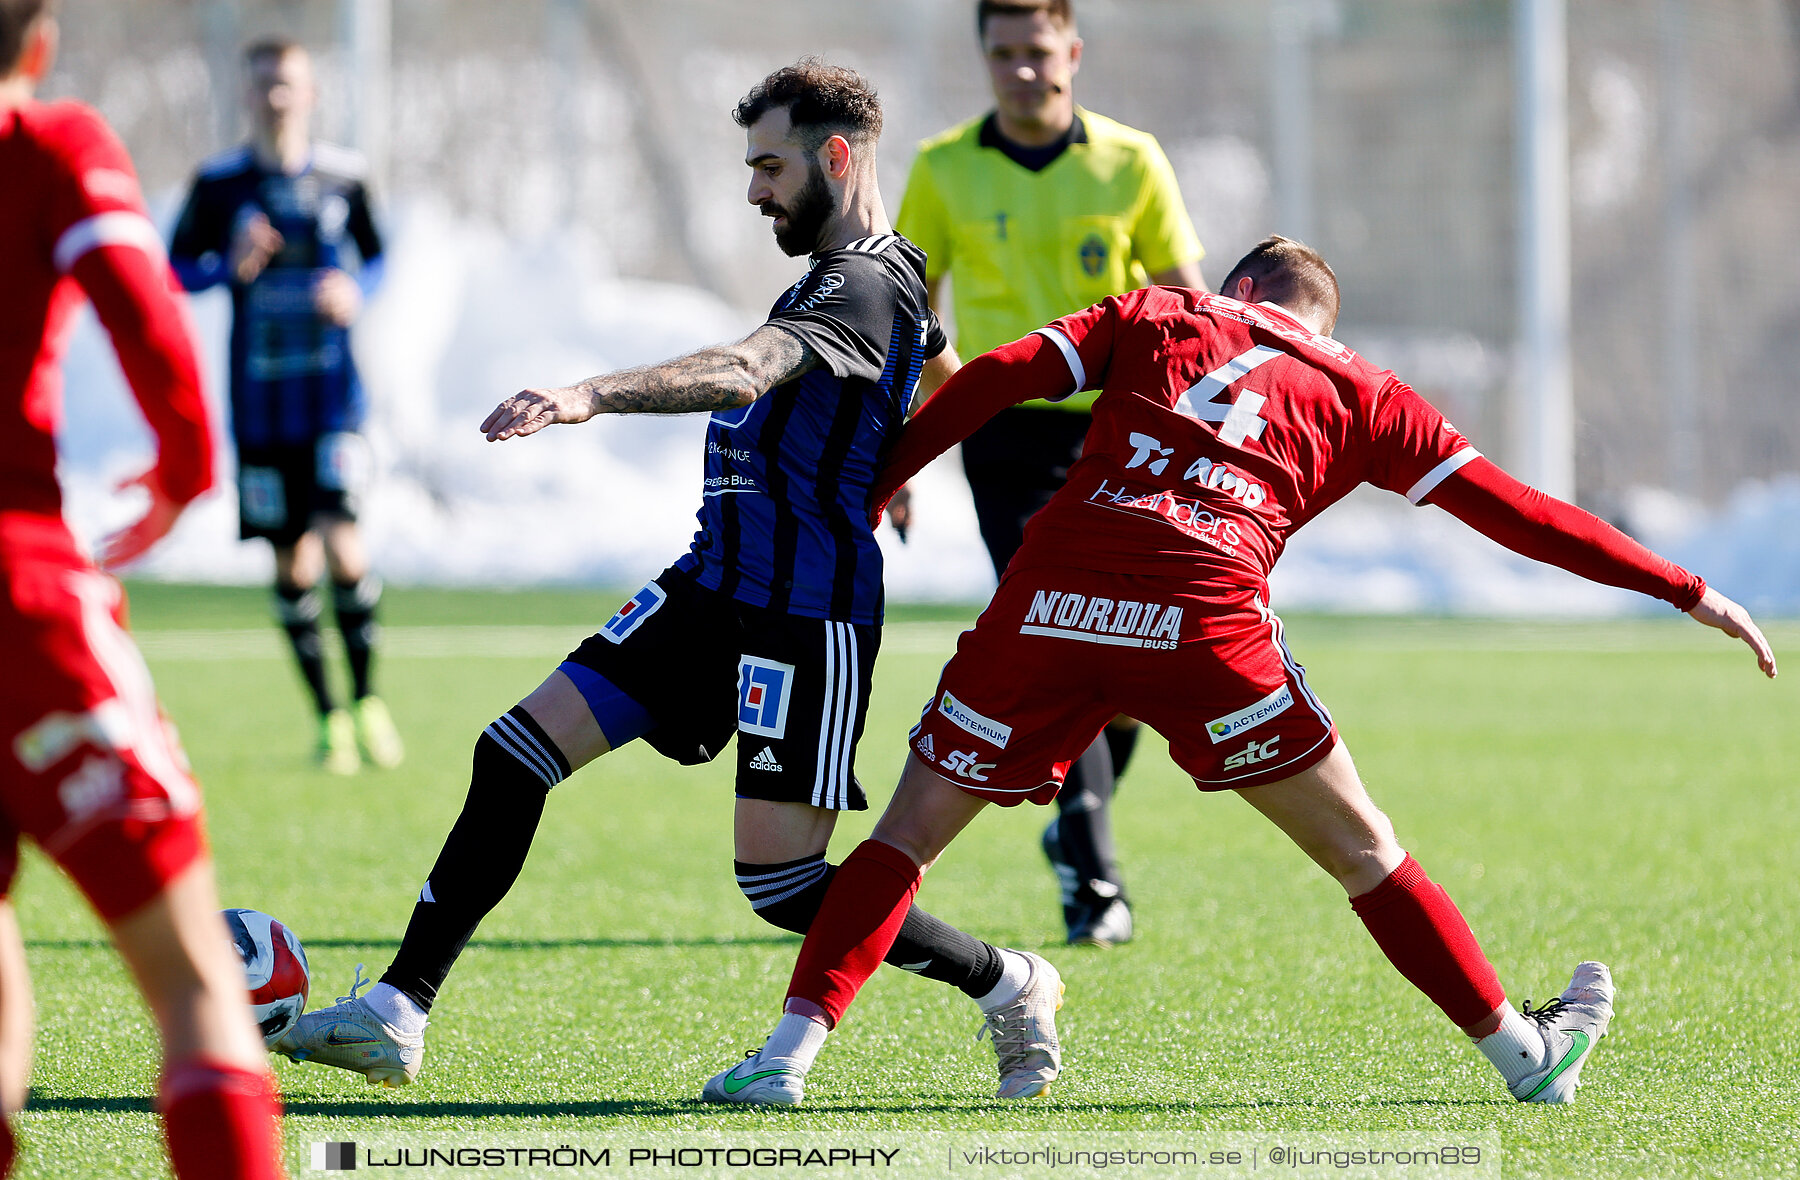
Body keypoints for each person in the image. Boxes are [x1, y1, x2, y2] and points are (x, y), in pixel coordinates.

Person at [705, 236, 1778, 1106]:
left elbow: (996, 376)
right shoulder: (1363, 391)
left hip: (1053, 598)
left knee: (903, 838)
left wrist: (880, 477)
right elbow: (1518, 511)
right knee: (1365, 852)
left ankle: (785, 1058)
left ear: (1240, 289)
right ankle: (1520, 1052)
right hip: (1201, 620)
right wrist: (1683, 586)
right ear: (1321, 321)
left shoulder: (1162, 312)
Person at [277, 60, 1063, 1104]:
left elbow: (749, 370)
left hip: (803, 610)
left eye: (770, 168)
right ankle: (397, 1008)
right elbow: (940, 364)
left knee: (781, 885)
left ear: (836, 157)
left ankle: (1008, 979)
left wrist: (585, 394)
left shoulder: (861, 279)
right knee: (512, 752)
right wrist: (892, 457)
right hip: (707, 586)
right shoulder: (881, 271)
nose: (754, 192)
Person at [0, 3, 288, 1175]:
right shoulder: (50, 143)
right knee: (191, 982)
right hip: (18, 588)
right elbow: (141, 302)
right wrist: (184, 470)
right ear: (39, 41)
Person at [896, 0, 1208, 945]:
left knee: (1130, 650)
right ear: (983, 59)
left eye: (1039, 52)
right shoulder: (943, 167)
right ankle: (1094, 874)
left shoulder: (1132, 160)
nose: (1023, 71)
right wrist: (910, 447)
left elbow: (1192, 307)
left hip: (1123, 433)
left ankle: (1079, 831)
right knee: (1070, 626)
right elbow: (908, 314)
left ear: (1073, 50)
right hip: (1008, 438)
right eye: (1004, 55)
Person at [168, 38, 400, 775]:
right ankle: (328, 717)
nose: (276, 97)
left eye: (287, 84)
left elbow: (382, 256)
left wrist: (354, 292)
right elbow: (175, 269)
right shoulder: (219, 184)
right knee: (292, 561)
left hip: (335, 398)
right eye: (263, 84)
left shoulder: (345, 178)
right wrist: (224, 266)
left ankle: (367, 701)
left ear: (311, 92)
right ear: (246, 95)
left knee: (343, 541)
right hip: (261, 405)